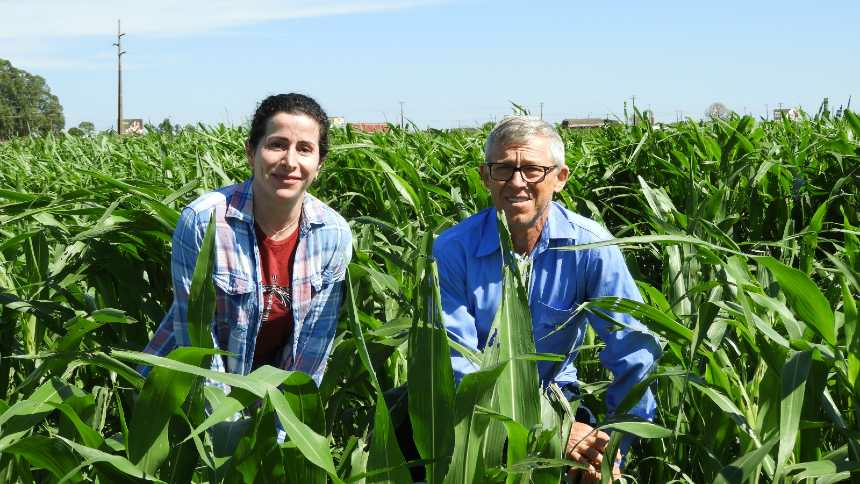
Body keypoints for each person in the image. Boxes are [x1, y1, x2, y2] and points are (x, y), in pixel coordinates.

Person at [432, 116, 661, 482]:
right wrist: (546, 429)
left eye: (533, 170)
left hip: (558, 399)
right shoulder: (451, 251)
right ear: (485, 177)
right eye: (503, 169)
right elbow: (456, 368)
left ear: (560, 178)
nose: (517, 183)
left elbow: (634, 352)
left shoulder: (590, 247)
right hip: (473, 415)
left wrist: (614, 445)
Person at [142, 93, 352, 388]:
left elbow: (312, 351)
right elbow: (198, 340)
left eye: (304, 149)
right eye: (277, 144)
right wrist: (229, 428)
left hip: (268, 395)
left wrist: (282, 428)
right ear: (251, 153)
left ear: (319, 164)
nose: (290, 161)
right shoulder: (205, 222)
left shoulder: (333, 235)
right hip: (181, 393)